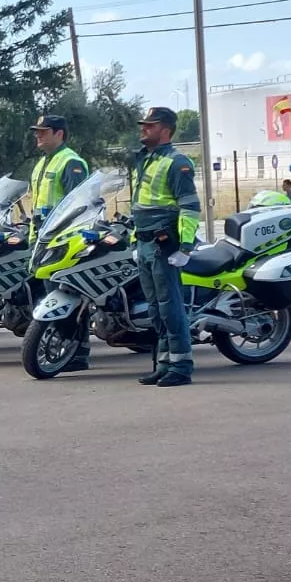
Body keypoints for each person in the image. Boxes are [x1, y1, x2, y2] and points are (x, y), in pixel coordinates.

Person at [132, 107, 201, 388]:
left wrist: (184, 247)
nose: (144, 129)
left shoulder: (176, 162)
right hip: (146, 242)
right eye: (144, 125)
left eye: (151, 125)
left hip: (164, 245)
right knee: (155, 309)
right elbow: (142, 205)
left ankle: (181, 366)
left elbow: (190, 207)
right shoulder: (147, 160)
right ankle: (164, 363)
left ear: (166, 130)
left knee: (170, 307)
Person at [28, 114, 93, 372]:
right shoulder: (43, 163)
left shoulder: (71, 162)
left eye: (44, 131)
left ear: (59, 134)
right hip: (43, 238)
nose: (38, 135)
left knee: (71, 295)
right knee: (51, 295)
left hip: (63, 240)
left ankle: (78, 351)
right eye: (37, 131)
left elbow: (78, 203)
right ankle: (58, 347)